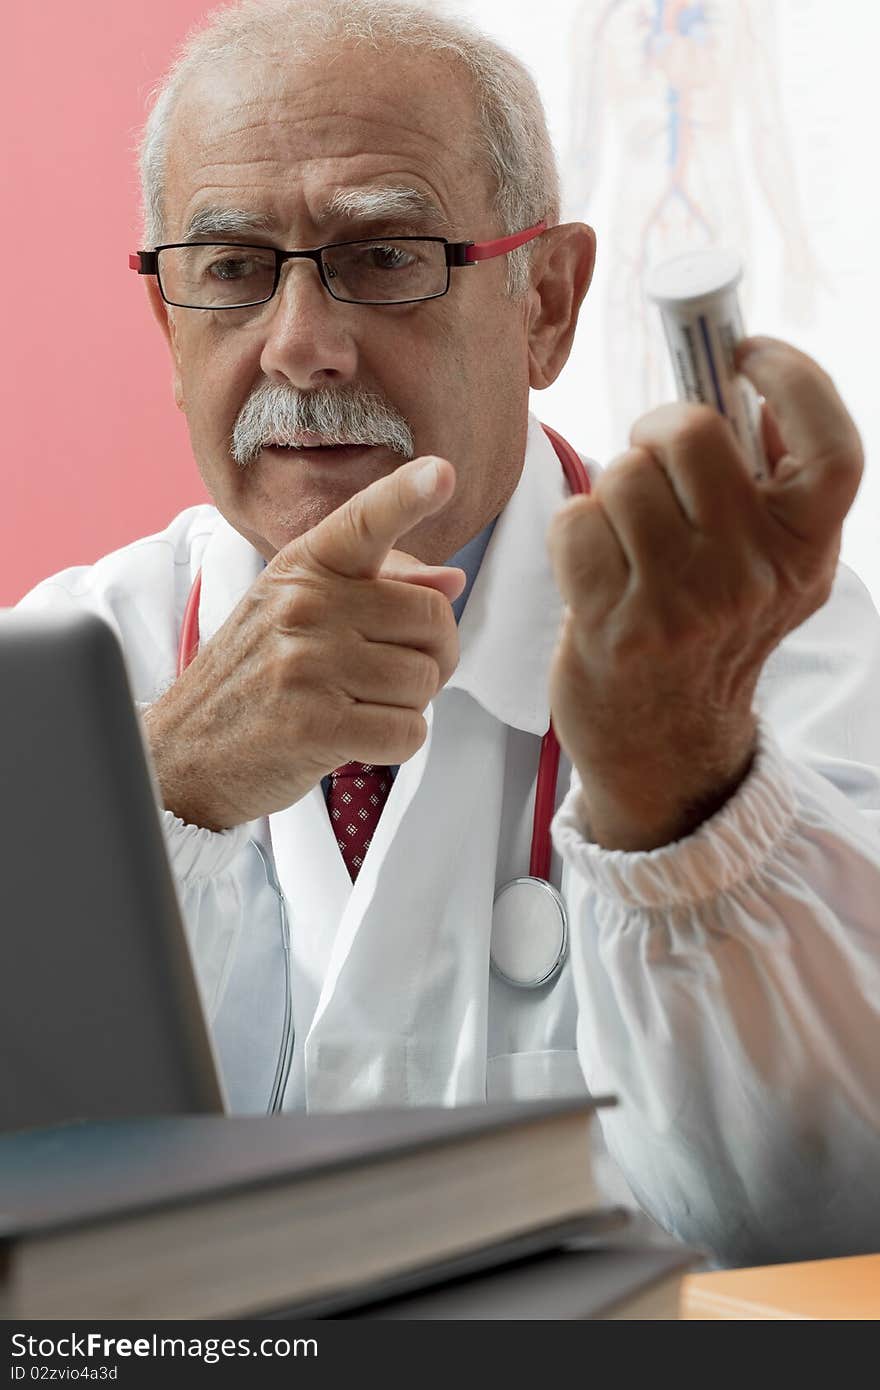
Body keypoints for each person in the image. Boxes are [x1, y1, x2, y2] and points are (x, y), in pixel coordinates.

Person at [18, 0, 880, 1266]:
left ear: (547, 302)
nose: (301, 347)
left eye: (384, 256)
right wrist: (166, 783)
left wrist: (681, 782)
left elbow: (830, 1213)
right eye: (232, 270)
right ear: (168, 323)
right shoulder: (76, 662)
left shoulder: (771, 639)